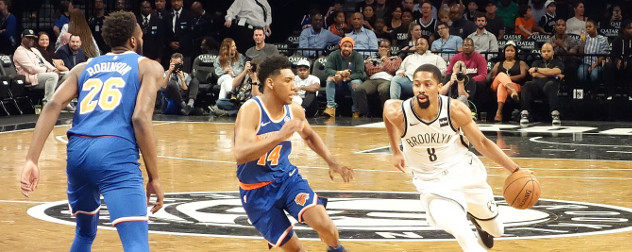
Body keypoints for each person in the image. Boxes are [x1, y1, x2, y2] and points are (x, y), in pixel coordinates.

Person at [20, 11, 164, 251]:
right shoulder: (149, 67)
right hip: (115, 153)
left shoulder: (84, 67)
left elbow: (53, 104)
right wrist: (155, 177)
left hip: (78, 154)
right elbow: (140, 118)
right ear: (133, 41)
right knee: (135, 242)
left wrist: (31, 159)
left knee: (85, 234)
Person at [383, 63, 529, 252]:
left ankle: (477, 219)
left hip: (464, 174)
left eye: (427, 84)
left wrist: (516, 170)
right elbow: (387, 115)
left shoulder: (455, 110)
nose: (421, 89)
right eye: (417, 84)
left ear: (438, 86)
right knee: (462, 232)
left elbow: (482, 143)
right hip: (431, 182)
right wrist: (395, 150)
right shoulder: (399, 111)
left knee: (497, 230)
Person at [233, 54, 352, 252]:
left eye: (294, 81)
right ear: (270, 83)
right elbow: (241, 154)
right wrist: (279, 136)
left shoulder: (295, 110)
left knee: (327, 227)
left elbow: (309, 136)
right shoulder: (251, 109)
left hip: (287, 180)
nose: (294, 86)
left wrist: (332, 162)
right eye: (288, 81)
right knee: (296, 250)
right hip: (256, 191)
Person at [520, 43, 564, 126]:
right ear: (541, 53)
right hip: (537, 87)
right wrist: (551, 73)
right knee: (527, 84)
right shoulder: (536, 62)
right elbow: (534, 74)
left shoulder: (558, 62)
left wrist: (537, 69)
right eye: (544, 51)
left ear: (553, 52)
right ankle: (524, 113)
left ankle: (555, 114)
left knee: (551, 84)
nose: (546, 53)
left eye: (548, 51)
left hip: (549, 87)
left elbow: (557, 71)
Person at [355, 39, 402, 117]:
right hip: (372, 79)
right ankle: (364, 114)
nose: (383, 49)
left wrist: (384, 58)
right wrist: (386, 66)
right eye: (381, 46)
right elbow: (369, 70)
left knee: (383, 90)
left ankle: (386, 114)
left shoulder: (396, 58)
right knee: (360, 89)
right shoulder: (371, 58)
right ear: (378, 48)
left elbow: (392, 69)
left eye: (385, 47)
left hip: (387, 79)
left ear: (389, 48)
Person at [13, 29, 59, 106]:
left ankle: (63, 101)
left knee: (66, 75)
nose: (31, 40)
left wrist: (54, 69)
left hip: (43, 74)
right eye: (28, 38)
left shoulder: (34, 50)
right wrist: (48, 71)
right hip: (31, 78)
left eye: (33, 38)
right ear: (22, 38)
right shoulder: (19, 51)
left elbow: (45, 63)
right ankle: (47, 103)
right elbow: (31, 69)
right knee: (52, 76)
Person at [323, 37, 366, 118]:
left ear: (352, 48)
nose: (347, 48)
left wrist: (344, 78)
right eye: (345, 46)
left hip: (350, 81)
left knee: (356, 83)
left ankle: (356, 110)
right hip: (338, 82)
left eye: (349, 46)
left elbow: (360, 73)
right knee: (329, 79)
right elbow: (327, 70)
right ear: (340, 46)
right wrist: (339, 73)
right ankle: (331, 107)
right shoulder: (333, 55)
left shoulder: (358, 56)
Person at [489, 41, 528, 122]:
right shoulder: (498, 63)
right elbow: (492, 76)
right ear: (504, 52)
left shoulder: (520, 63)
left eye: (512, 51)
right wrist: (505, 78)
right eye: (507, 51)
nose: (509, 53)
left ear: (515, 52)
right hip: (496, 85)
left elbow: (522, 75)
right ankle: (513, 91)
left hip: (515, 85)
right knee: (501, 75)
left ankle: (499, 113)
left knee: (502, 86)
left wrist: (508, 80)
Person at [577, 19, 609, 88]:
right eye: (586, 27)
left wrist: (593, 66)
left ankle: (594, 92)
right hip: (585, 63)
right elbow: (580, 53)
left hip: (597, 64)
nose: (588, 28)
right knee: (581, 74)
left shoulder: (603, 39)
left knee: (594, 75)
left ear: (596, 27)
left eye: (590, 26)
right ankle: (586, 90)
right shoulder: (584, 38)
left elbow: (603, 55)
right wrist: (582, 42)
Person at [166, 0, 194, 72]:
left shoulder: (189, 15)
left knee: (184, 75)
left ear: (182, 1)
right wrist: (170, 43)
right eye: (174, 1)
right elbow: (164, 33)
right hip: (170, 51)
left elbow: (191, 34)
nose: (176, 3)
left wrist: (180, 43)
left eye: (178, 1)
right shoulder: (167, 15)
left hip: (185, 51)